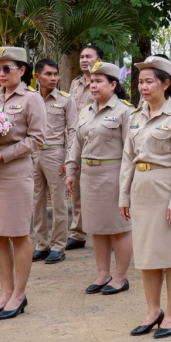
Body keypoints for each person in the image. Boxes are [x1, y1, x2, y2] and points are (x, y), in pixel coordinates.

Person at [120, 57, 171, 336]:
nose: (144, 86)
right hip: (141, 189)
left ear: (166, 84)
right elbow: (128, 159)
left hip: (166, 189)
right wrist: (123, 196)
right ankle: (153, 310)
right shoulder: (135, 117)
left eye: (150, 81)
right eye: (141, 82)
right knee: (147, 255)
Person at [0, 46, 47, 320]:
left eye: (7, 68)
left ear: (22, 70)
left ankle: (19, 293)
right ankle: (5, 292)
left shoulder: (32, 99)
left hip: (14, 171)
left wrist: (4, 156)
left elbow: (37, 139)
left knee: (18, 233)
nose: (1, 73)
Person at [66, 62, 133, 295]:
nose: (92, 85)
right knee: (96, 227)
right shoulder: (85, 110)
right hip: (89, 175)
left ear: (113, 84)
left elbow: (130, 150)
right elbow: (77, 143)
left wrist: (127, 182)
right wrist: (71, 169)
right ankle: (103, 273)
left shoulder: (125, 111)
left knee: (118, 227)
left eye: (98, 81)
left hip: (113, 175)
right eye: (91, 81)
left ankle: (121, 276)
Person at [30, 58, 76, 265]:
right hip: (32, 155)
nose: (53, 78)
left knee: (59, 201)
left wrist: (69, 158)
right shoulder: (30, 99)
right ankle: (41, 244)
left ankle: (58, 246)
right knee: (36, 201)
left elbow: (73, 131)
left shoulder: (66, 100)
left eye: (55, 74)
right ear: (37, 76)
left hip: (55, 153)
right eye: (48, 74)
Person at [64, 43, 103, 251]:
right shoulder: (75, 84)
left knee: (104, 189)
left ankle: (109, 230)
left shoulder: (105, 82)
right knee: (76, 189)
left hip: (98, 143)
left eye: (89, 56)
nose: (84, 60)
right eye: (81, 57)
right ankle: (77, 233)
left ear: (99, 60)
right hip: (76, 142)